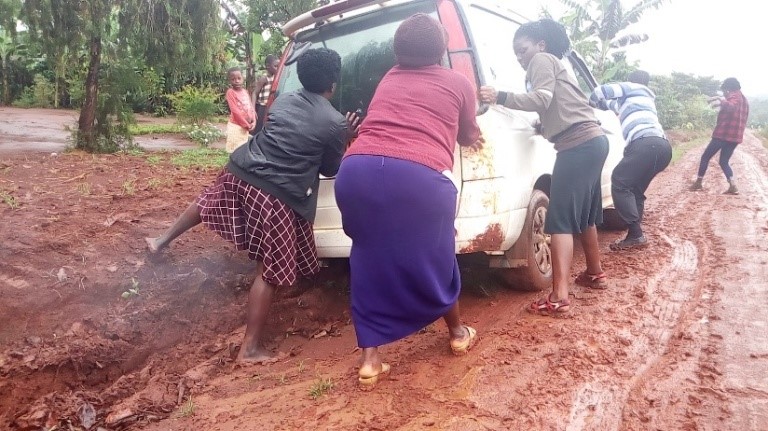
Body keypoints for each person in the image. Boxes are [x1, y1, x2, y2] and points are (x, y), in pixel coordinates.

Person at [145, 48, 359, 363]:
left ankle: (160, 240)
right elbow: (329, 168)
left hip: (240, 169)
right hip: (276, 193)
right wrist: (346, 135)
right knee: (269, 271)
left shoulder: (284, 100)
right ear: (334, 83)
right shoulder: (335, 122)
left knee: (207, 201)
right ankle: (249, 349)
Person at [334, 13, 483, 389]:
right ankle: (457, 333)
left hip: (356, 170)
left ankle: (370, 360)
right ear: (442, 50)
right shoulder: (458, 82)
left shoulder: (389, 77)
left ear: (397, 51)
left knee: (367, 257)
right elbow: (468, 135)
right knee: (437, 256)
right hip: (419, 177)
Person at [479, 18, 609, 314]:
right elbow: (558, 106)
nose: (520, 57)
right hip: (594, 141)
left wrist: (499, 96)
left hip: (576, 146)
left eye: (522, 50)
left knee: (560, 221)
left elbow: (541, 98)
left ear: (540, 45)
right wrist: (545, 126)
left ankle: (559, 297)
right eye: (516, 53)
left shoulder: (541, 60)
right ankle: (594, 273)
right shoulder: (557, 64)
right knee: (586, 216)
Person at [589, 70, 672, 250]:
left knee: (619, 182)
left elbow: (599, 92)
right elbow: (610, 105)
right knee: (635, 189)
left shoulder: (633, 88)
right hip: (663, 147)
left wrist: (588, 105)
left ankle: (636, 234)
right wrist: (603, 105)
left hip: (645, 144)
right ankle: (635, 233)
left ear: (630, 81)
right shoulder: (641, 100)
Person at [690, 77, 749, 194]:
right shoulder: (745, 100)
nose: (724, 93)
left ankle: (698, 183)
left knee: (705, 157)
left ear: (728, 88)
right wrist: (719, 102)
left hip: (723, 134)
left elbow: (732, 107)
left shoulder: (734, 96)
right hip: (735, 137)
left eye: (724, 90)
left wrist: (719, 100)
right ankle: (733, 186)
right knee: (723, 161)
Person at [224, 67, 257, 153]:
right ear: (229, 80)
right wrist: (246, 125)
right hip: (236, 127)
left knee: (243, 149)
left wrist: (254, 121)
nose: (237, 81)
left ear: (243, 78)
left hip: (245, 127)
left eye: (239, 78)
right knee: (235, 151)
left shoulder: (245, 92)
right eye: (233, 79)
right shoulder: (230, 92)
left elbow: (250, 107)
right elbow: (235, 112)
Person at [252, 55, 281, 135]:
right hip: (263, 107)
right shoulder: (264, 78)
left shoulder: (277, 78)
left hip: (272, 106)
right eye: (275, 66)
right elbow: (255, 93)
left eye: (279, 66)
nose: (278, 68)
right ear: (268, 66)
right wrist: (252, 109)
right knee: (259, 128)